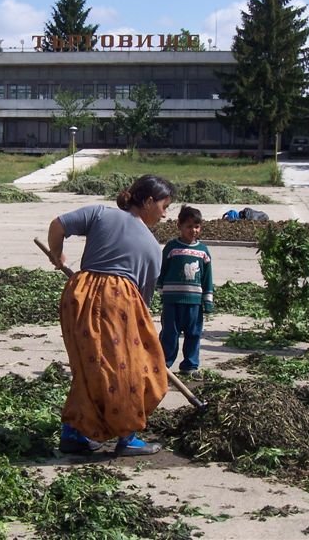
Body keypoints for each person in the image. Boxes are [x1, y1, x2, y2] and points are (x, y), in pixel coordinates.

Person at [47, 174, 176, 456]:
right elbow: (142, 299)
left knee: (88, 367)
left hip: (77, 297)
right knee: (129, 369)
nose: (166, 214)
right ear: (148, 201)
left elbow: (58, 225)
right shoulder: (153, 248)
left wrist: (56, 255)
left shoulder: (99, 213)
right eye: (165, 206)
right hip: (116, 302)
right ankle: (127, 437)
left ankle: (74, 434)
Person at [156, 205, 214, 374]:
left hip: (194, 303)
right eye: (189, 226)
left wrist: (207, 300)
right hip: (172, 301)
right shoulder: (172, 248)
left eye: (196, 226)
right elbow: (162, 269)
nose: (193, 230)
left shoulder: (203, 251)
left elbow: (207, 278)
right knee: (169, 334)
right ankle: (164, 364)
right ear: (179, 226)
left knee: (193, 333)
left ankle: (190, 365)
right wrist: (160, 290)